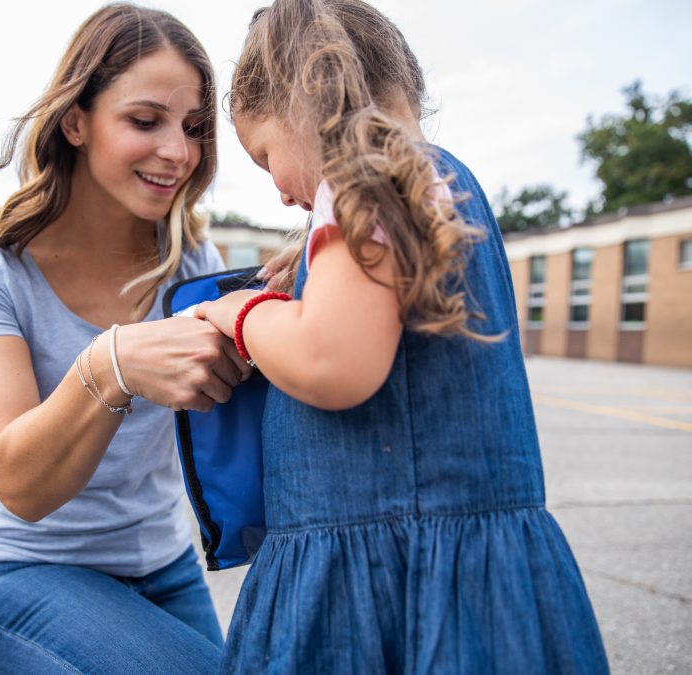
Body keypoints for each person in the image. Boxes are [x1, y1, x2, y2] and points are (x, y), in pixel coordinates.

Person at [194, 1, 610, 672]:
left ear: (303, 104)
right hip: (467, 579)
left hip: (382, 580)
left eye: (265, 156)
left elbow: (332, 362)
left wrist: (241, 313)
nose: (277, 192)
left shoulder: (364, 175)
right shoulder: (440, 179)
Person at [0, 5, 254, 673]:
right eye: (145, 120)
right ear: (75, 120)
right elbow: (20, 482)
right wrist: (110, 365)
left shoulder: (192, 262)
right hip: (16, 568)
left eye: (193, 128)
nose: (179, 152)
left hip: (163, 567)